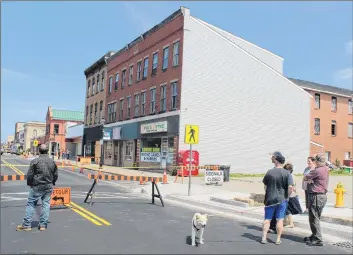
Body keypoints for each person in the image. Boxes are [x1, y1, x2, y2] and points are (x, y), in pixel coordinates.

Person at [16, 144, 58, 231]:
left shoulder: (35, 161)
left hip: (36, 186)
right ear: (47, 151)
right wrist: (53, 182)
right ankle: (43, 225)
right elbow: (55, 174)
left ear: (39, 151)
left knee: (31, 204)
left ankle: (27, 224)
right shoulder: (52, 162)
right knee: (46, 205)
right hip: (48, 186)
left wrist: (29, 183)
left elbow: (30, 175)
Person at [261, 151, 294, 245]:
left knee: (267, 219)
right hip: (281, 200)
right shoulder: (287, 173)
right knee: (280, 220)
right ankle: (278, 239)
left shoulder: (269, 172)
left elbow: (265, 186)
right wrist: (287, 196)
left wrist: (268, 194)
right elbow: (290, 187)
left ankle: (264, 237)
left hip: (269, 200)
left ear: (276, 161)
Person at [303, 153, 329, 247]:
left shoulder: (317, 170)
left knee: (314, 218)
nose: (314, 162)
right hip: (320, 196)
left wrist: (309, 180)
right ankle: (314, 235)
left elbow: (305, 177)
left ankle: (318, 239)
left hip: (316, 196)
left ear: (317, 161)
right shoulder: (325, 168)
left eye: (315, 160)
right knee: (314, 217)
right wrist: (312, 181)